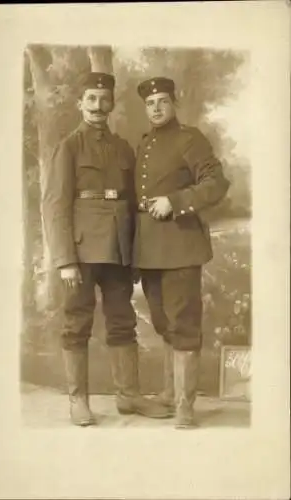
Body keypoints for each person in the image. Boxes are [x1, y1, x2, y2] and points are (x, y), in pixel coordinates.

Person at [41, 72, 170, 426]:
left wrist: (134, 253)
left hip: (117, 250)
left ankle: (128, 396)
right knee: (76, 324)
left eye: (104, 99)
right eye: (91, 99)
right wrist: (65, 259)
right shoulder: (68, 147)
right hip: (81, 253)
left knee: (122, 322)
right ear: (80, 103)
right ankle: (78, 401)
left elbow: (131, 204)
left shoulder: (123, 148)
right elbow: (55, 205)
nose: (98, 106)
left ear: (111, 103)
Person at [133, 76, 230, 429]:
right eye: (150, 103)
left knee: (183, 322)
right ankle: (170, 392)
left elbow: (215, 183)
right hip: (149, 249)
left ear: (174, 103)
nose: (156, 108)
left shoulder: (190, 138)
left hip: (181, 244)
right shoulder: (144, 144)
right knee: (162, 321)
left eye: (162, 101)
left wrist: (175, 202)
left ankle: (185, 406)